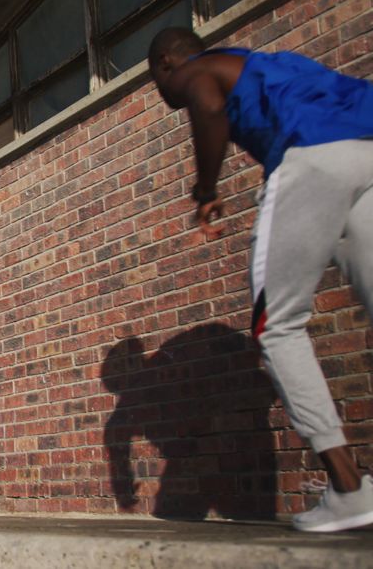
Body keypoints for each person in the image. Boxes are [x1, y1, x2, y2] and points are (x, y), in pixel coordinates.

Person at [147, 27, 373, 532]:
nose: (164, 92)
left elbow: (207, 107)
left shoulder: (195, 70)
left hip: (312, 158)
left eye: (155, 80)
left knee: (278, 326)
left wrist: (205, 189)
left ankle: (349, 488)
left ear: (165, 63)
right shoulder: (266, 64)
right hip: (367, 147)